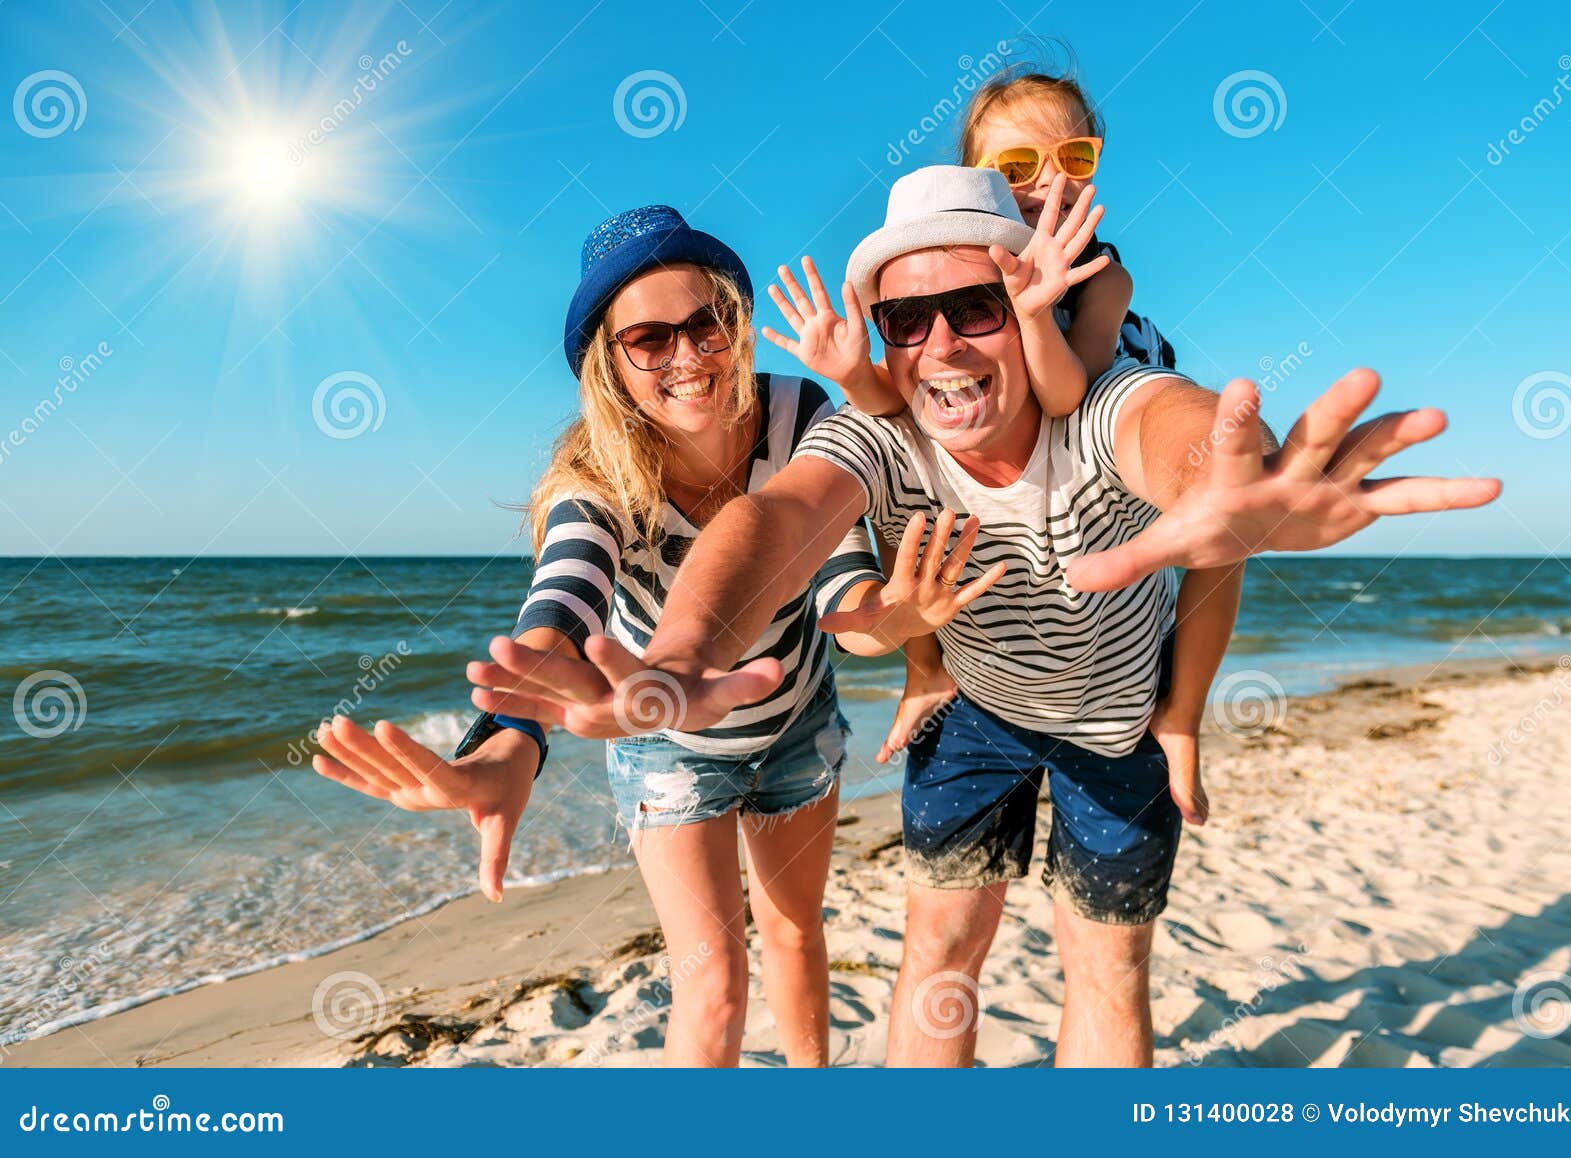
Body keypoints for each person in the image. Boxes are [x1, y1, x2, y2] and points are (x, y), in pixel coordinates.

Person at [483, 165, 1500, 1067]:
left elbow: (1176, 429)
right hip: (972, 718)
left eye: (974, 307)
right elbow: (775, 520)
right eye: (906, 323)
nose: (939, 349)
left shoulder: (1101, 405)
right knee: (937, 955)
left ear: (1032, 304)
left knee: (1106, 970)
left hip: (1113, 728)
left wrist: (1230, 485)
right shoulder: (877, 437)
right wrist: (680, 654)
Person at [311, 204, 990, 1067]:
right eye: (649, 340)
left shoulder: (802, 414)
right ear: (611, 363)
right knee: (712, 986)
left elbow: (842, 592)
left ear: (736, 326)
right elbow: (560, 614)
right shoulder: (596, 480)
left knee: (795, 937)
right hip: (666, 747)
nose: (687, 357)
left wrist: (890, 620)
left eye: (706, 325)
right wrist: (510, 742)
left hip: (795, 723)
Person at [762, 64, 1235, 825]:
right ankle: (925, 671)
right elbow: (902, 414)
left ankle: (1181, 716)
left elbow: (1065, 395)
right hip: (1007, 456)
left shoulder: (1105, 282)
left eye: (1074, 158)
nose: (1050, 182)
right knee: (906, 490)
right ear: (972, 183)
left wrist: (1035, 310)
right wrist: (855, 374)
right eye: (1016, 167)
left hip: (1090, 393)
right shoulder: (945, 297)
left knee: (1218, 538)